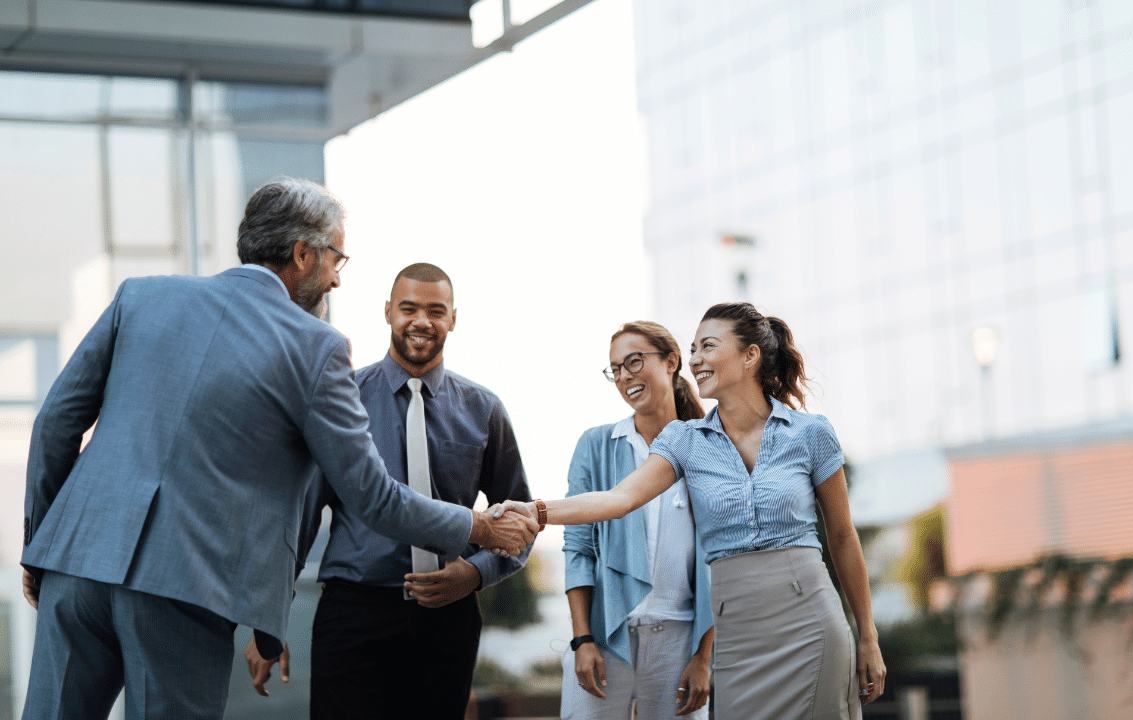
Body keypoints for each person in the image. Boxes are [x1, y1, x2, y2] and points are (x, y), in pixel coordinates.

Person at [19, 179, 535, 720]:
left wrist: (42, 542)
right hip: (184, 586)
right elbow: (373, 497)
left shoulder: (140, 296)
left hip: (75, 565)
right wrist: (479, 529)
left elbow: (55, 421)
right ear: (303, 254)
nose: (337, 276)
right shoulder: (316, 347)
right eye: (338, 258)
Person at [502, 302, 886, 720]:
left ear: (750, 355)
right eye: (693, 349)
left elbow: (844, 538)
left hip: (810, 616)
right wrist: (535, 511)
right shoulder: (684, 440)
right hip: (737, 630)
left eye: (708, 347)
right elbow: (619, 499)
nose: (696, 359)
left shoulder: (812, 433)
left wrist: (868, 635)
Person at [246, 262, 534, 719]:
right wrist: (269, 619)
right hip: (355, 611)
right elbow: (299, 516)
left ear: (453, 318)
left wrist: (476, 574)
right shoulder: (343, 399)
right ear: (387, 313)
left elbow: (522, 523)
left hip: (449, 615)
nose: (422, 320)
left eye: (436, 310)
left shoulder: (484, 410)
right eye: (409, 308)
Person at [561, 321, 714, 720]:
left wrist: (704, 657)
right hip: (604, 637)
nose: (625, 376)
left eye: (634, 361)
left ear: (671, 362)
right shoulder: (596, 446)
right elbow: (577, 548)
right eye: (616, 369)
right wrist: (582, 640)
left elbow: (720, 557)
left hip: (680, 641)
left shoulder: (710, 449)